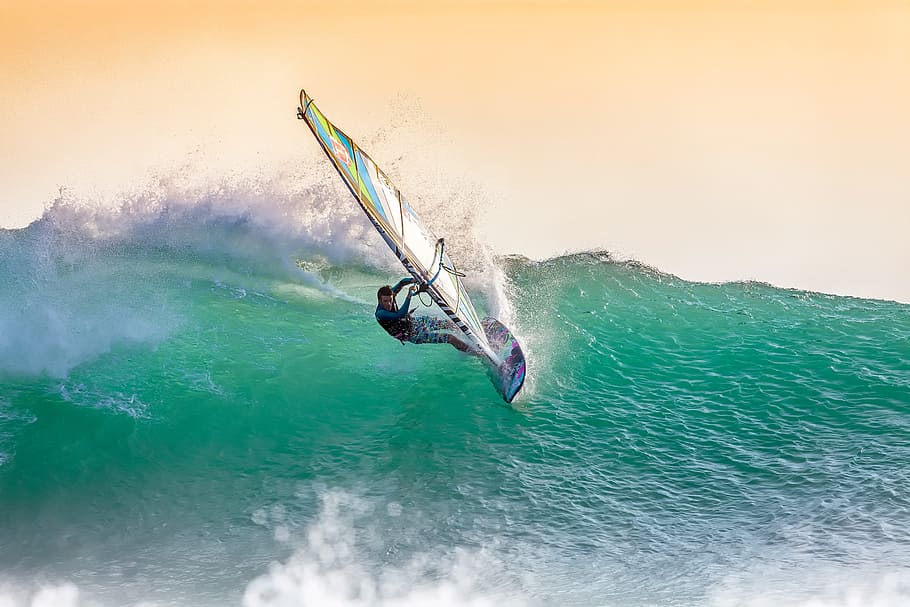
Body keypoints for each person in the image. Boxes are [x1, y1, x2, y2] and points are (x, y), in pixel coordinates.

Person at [375, 277, 475, 353]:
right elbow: (400, 315)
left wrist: (414, 280)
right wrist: (409, 295)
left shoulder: (391, 294)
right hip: (412, 335)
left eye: (390, 300)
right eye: (385, 301)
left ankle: (473, 332)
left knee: (447, 324)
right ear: (379, 300)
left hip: (414, 322)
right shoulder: (381, 314)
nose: (388, 303)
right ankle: (476, 353)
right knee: (450, 338)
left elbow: (402, 283)